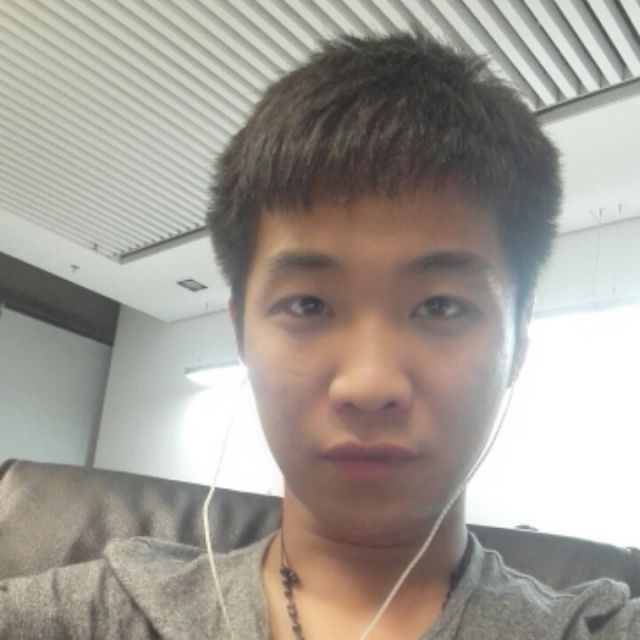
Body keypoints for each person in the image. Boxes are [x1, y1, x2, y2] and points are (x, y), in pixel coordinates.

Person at [1, 31, 638, 640]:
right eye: (308, 304)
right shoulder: (102, 615)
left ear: (518, 341)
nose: (369, 384)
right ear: (241, 332)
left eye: (440, 306)